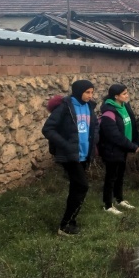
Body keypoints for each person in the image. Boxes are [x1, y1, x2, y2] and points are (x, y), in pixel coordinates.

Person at [42, 80, 99, 236]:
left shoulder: (89, 106)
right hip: (70, 155)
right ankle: (65, 224)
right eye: (87, 92)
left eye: (92, 92)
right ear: (78, 91)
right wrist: (65, 145)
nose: (90, 95)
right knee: (82, 186)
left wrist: (95, 140)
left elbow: (95, 125)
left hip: (84, 154)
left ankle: (70, 222)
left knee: (76, 187)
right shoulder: (65, 107)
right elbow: (48, 129)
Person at [98, 83, 139, 215]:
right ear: (116, 96)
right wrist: (131, 146)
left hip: (123, 148)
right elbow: (114, 135)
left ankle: (119, 199)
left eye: (127, 92)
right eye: (124, 94)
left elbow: (131, 124)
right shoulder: (109, 112)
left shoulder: (124, 106)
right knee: (111, 177)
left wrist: (134, 142)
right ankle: (107, 205)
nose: (127, 95)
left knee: (120, 175)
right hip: (112, 149)